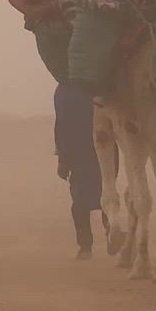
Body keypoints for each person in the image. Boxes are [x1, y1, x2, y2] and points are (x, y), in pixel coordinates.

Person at [53, 82, 105, 259]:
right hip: (89, 152)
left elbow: (60, 125)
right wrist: (62, 158)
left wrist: (62, 158)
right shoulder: (98, 85)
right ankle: (92, 244)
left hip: (87, 152)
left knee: (84, 201)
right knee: (95, 197)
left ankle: (87, 246)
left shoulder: (65, 90)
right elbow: (61, 125)